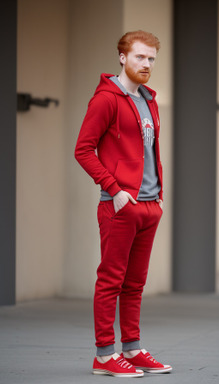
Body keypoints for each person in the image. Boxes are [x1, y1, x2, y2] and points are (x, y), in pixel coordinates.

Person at [75, 30, 172, 378]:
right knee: (110, 280)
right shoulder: (105, 99)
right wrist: (114, 189)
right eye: (139, 57)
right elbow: (83, 150)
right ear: (122, 57)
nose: (146, 64)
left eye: (151, 59)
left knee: (135, 283)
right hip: (120, 205)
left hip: (149, 205)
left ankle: (131, 347)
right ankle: (104, 355)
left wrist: (157, 197)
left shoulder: (149, 99)